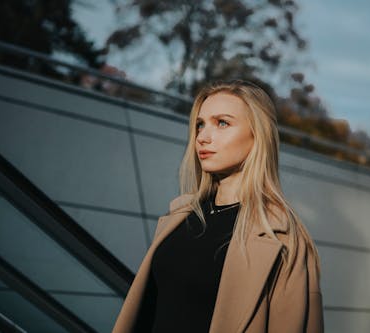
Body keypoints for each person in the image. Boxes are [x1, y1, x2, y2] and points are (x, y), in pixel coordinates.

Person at [112, 80, 323, 333]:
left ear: (258, 135)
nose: (202, 137)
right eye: (200, 125)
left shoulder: (284, 239)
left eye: (222, 123)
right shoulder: (179, 216)